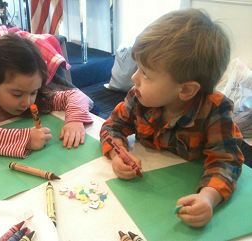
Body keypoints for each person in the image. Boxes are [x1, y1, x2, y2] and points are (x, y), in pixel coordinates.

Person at [100, 9, 244, 228]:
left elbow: (226, 161)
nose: (134, 78)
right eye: (138, 67)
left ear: (185, 90)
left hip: (182, 191)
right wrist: (118, 153)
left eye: (146, 74)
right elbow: (112, 126)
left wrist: (208, 198)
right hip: (144, 195)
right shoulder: (139, 96)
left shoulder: (216, 110)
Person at [0, 30, 93, 158]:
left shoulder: (39, 99)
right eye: (17, 94)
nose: (27, 102)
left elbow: (77, 96)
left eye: (33, 92)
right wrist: (26, 139)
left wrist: (75, 120)